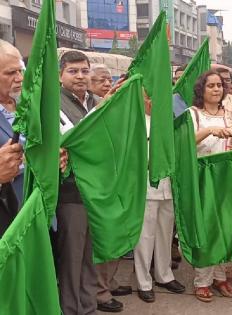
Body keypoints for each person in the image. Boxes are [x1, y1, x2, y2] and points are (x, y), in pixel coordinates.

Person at [55, 50, 101, 315]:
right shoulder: (54, 104)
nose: (80, 76)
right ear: (61, 75)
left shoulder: (96, 102)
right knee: (71, 257)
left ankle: (89, 305)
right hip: (70, 192)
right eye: (73, 71)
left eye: (84, 70)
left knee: (90, 255)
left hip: (96, 192)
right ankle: (71, 309)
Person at [189, 70, 232, 302]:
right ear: (202, 89)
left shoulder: (231, 115)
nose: (217, 89)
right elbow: (185, 143)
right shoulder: (193, 114)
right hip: (202, 175)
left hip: (227, 174)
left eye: (220, 85)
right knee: (207, 226)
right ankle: (202, 280)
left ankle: (220, 276)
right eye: (211, 86)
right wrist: (210, 130)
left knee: (226, 224)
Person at [88, 64, 132, 313]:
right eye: (100, 80)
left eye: (108, 79)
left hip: (116, 177)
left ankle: (109, 282)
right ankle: (100, 291)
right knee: (103, 237)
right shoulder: (91, 106)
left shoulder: (111, 104)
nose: (106, 84)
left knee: (116, 233)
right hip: (98, 181)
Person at [134, 92, 185, 304]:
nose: (152, 102)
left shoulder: (169, 120)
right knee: (145, 236)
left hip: (169, 185)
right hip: (146, 185)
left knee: (165, 233)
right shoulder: (136, 121)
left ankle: (164, 275)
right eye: (148, 97)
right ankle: (143, 282)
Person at [0, 39, 25, 205]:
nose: (20, 78)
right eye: (10, 73)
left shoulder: (29, 106)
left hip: (43, 215)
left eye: (20, 71)